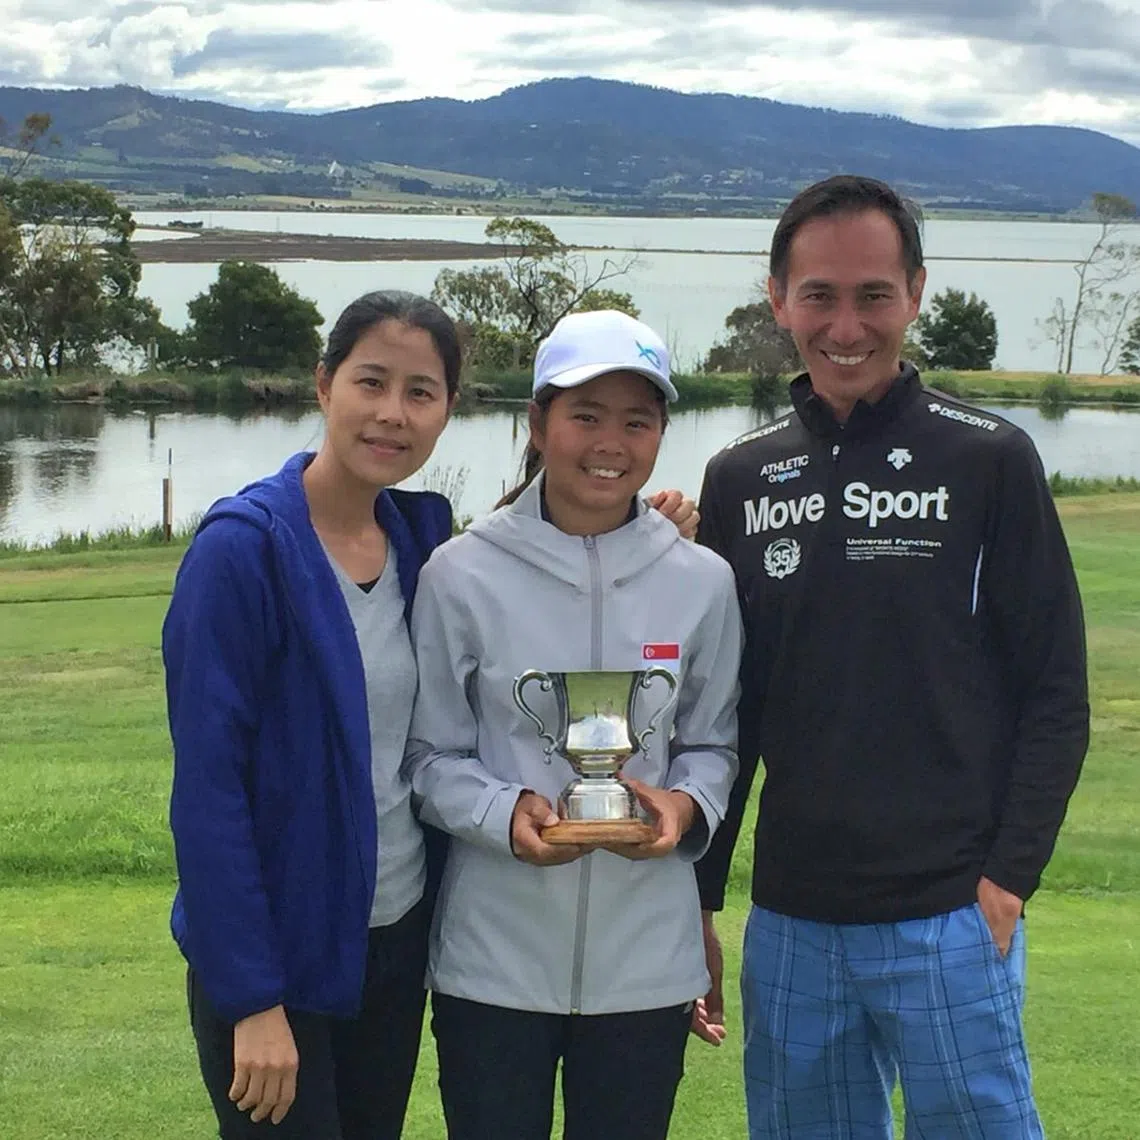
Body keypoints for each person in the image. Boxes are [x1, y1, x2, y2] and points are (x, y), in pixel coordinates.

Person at [163, 292, 699, 1139]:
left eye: (421, 392)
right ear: (323, 383)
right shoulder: (242, 551)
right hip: (286, 954)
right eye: (371, 382)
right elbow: (207, 794)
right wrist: (249, 999)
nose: (392, 414)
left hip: (396, 942)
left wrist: (642, 529)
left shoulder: (420, 537)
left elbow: (543, 540)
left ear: (450, 407)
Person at [694, 175, 1090, 1138]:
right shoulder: (740, 477)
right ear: (779, 297)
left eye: (874, 294)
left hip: (951, 914)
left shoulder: (988, 457)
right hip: (789, 923)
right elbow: (723, 714)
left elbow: (1054, 689)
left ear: (914, 292)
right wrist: (699, 902)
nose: (846, 325)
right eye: (819, 295)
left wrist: (1009, 879)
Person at [405, 309, 744, 1140]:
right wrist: (502, 812)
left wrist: (684, 806)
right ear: (537, 422)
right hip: (492, 962)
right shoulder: (460, 572)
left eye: (638, 421)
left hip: (647, 970)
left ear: (663, 431)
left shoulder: (701, 579)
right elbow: (427, 756)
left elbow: (713, 742)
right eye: (585, 416)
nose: (611, 443)